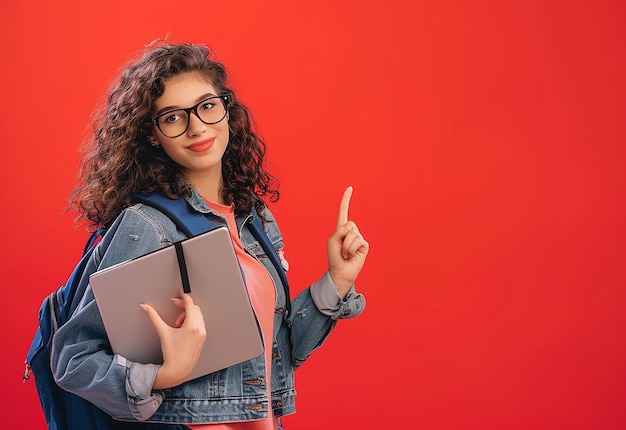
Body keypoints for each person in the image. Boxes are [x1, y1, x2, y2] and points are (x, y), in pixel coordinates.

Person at [50, 41, 369, 429]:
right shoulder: (147, 225)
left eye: (207, 106)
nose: (197, 126)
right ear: (152, 134)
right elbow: (73, 358)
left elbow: (274, 356)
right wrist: (165, 374)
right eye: (172, 117)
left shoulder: (256, 218)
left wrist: (336, 281)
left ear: (226, 110)